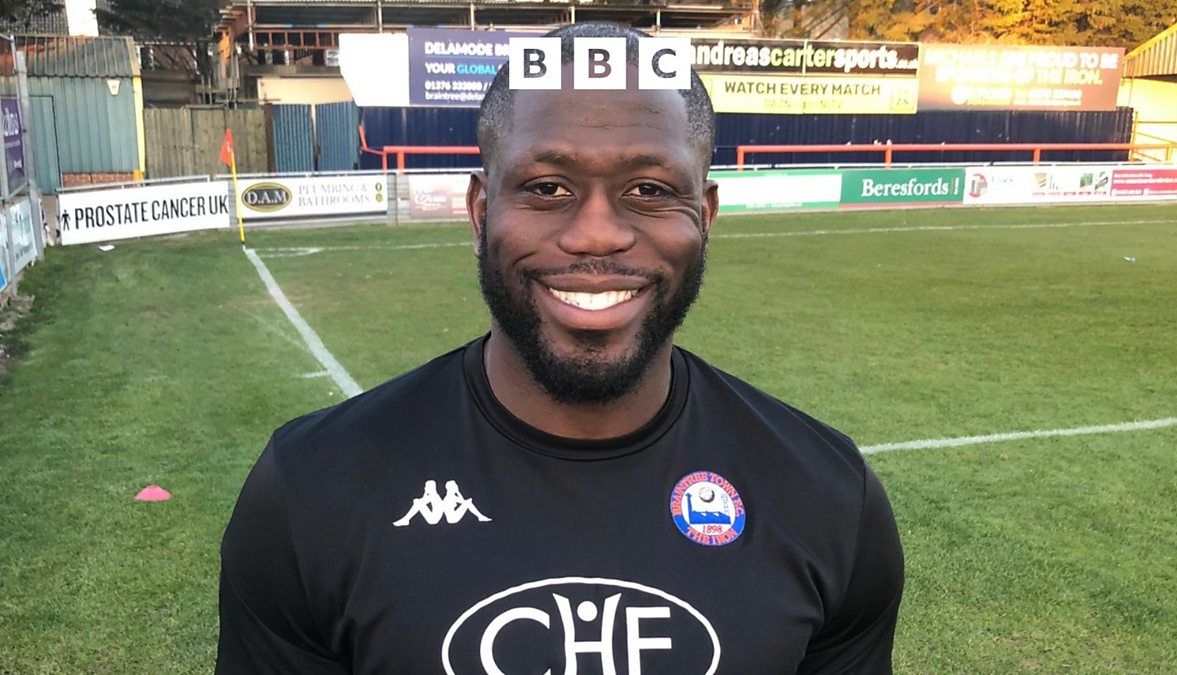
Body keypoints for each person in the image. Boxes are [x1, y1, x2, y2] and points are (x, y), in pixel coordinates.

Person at [217, 22, 904, 674]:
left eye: (650, 190)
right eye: (547, 188)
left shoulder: (828, 497)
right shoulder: (311, 491)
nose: (596, 234)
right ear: (481, 212)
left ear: (706, 216)